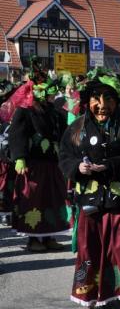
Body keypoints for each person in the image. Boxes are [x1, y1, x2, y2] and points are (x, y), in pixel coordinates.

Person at [58, 72, 120, 309]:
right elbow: (65, 157)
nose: (102, 105)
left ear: (117, 101)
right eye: (96, 99)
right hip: (90, 200)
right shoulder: (76, 129)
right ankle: (92, 292)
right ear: (88, 101)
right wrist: (77, 168)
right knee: (90, 248)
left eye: (108, 99)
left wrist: (112, 166)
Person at [8, 71, 70, 251]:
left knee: (52, 199)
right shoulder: (25, 110)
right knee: (34, 200)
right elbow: (17, 134)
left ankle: (49, 236)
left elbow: (63, 134)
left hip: (52, 164)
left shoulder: (55, 112)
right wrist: (19, 157)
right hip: (34, 165)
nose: (51, 94)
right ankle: (33, 239)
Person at [0, 80, 17, 225]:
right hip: (3, 154)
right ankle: (5, 213)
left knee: (9, 185)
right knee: (4, 185)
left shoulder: (14, 108)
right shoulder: (4, 107)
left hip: (10, 154)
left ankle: (8, 212)